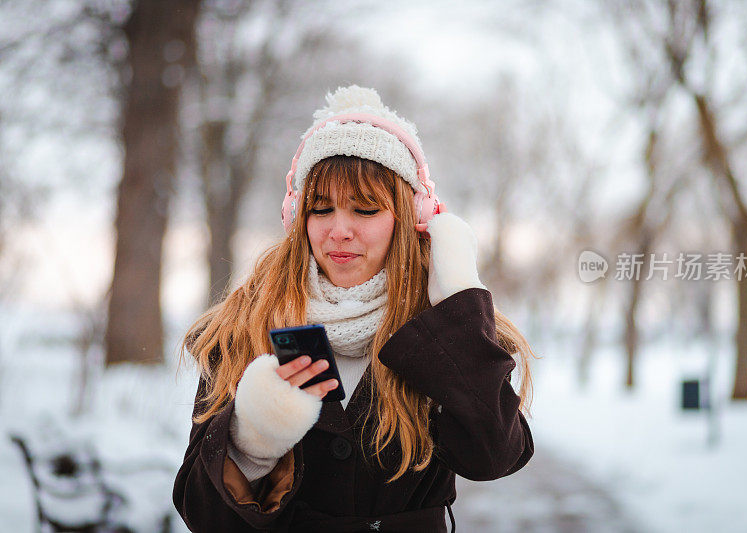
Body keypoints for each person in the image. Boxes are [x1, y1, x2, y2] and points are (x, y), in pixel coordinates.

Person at [173, 85, 536, 532]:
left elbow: (494, 456)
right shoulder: (243, 330)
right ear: (296, 217)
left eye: (364, 210)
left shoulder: (445, 328)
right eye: (321, 209)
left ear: (410, 217)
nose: (339, 230)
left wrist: (459, 299)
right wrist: (253, 442)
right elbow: (202, 516)